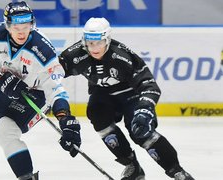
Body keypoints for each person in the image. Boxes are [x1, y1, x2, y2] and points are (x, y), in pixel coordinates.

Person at [58, 17, 195, 180]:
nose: (94, 48)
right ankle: (132, 166)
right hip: (103, 94)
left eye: (99, 43)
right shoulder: (75, 55)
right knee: (97, 115)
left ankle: (177, 171)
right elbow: (49, 72)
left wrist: (145, 108)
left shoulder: (122, 56)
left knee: (141, 131)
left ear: (107, 40)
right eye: (90, 43)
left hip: (131, 94)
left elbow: (149, 85)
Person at [0, 1, 81, 180]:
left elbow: (55, 88)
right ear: (7, 25)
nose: (21, 31)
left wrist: (65, 118)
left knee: (5, 130)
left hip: (35, 94)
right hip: (3, 91)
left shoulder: (42, 50)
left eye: (26, 26)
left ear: (32, 25)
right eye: (16, 26)